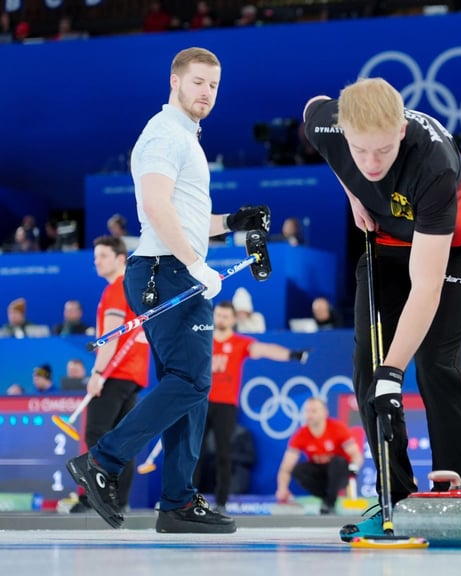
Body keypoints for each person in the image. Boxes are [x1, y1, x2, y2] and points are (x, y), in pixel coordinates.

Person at [66, 47, 270, 534]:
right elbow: (156, 208)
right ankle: (103, 460)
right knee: (194, 382)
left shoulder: (186, 138)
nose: (206, 93)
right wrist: (196, 263)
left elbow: (187, 217)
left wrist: (232, 223)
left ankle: (177, 500)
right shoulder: (163, 135)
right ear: (175, 82)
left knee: (188, 387)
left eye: (213, 86)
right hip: (167, 270)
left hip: (171, 266)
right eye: (198, 82)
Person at [302, 77, 461, 539]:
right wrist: (352, 193)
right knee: (366, 367)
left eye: (382, 151)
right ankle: (393, 497)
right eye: (360, 151)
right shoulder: (328, 127)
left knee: (434, 361)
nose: (370, 164)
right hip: (388, 239)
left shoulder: (431, 162)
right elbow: (314, 103)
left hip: (458, 243)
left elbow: (427, 286)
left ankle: (456, 492)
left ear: (400, 133)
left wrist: (396, 371)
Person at [198, 301, 309, 510]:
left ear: (233, 319)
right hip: (200, 402)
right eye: (218, 315)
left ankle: (221, 502)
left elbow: (265, 349)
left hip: (225, 405)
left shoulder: (240, 343)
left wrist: (292, 355)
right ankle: (187, 500)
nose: (221, 319)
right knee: (194, 451)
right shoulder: (203, 340)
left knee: (223, 453)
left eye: (225, 316)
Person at [71, 236, 151, 515]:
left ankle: (94, 499)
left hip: (114, 374)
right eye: (95, 256)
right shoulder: (132, 288)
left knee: (96, 434)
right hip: (132, 375)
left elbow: (110, 338)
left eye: (103, 255)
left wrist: (97, 373)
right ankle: (117, 501)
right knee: (121, 439)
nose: (97, 261)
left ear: (120, 259)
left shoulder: (117, 289)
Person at [276, 398, 364, 515]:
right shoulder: (301, 434)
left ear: (324, 412)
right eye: (307, 411)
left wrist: (354, 469)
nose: (309, 415)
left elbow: (356, 455)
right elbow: (286, 467)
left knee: (337, 462)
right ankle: (327, 499)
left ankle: (330, 502)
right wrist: (282, 488)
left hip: (339, 472)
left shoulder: (338, 428)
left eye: (314, 411)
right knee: (298, 470)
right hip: (320, 475)